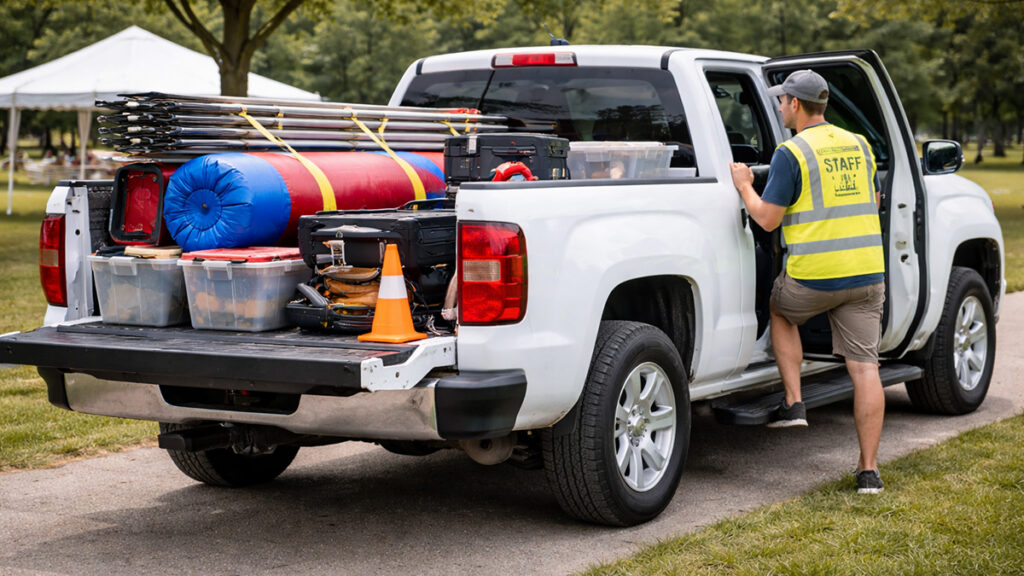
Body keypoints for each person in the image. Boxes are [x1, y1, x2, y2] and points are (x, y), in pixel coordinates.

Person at [730, 70, 887, 495]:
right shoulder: (859, 144)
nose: (780, 106)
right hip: (868, 274)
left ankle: (794, 402)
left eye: (782, 101)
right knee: (865, 369)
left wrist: (744, 185)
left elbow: (766, 219)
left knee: (781, 310)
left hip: (814, 279)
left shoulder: (791, 153)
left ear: (795, 105)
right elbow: (871, 200)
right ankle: (869, 472)